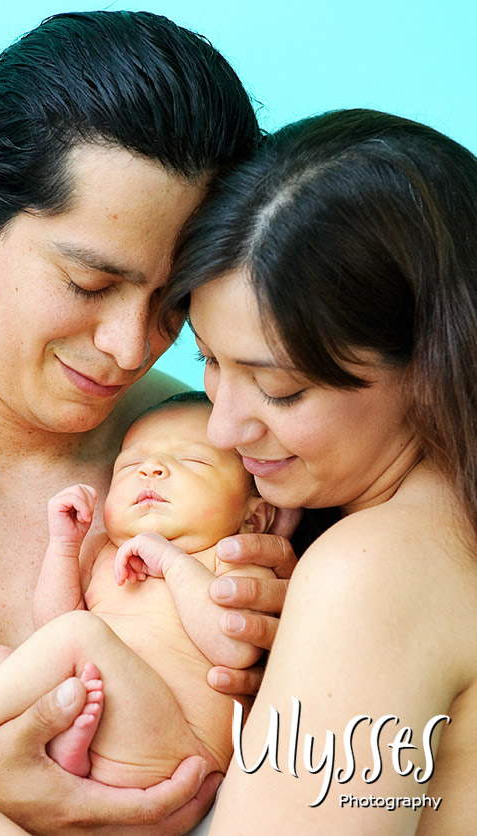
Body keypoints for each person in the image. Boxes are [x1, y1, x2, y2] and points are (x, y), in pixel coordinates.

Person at [0, 11, 300, 836]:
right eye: (89, 283)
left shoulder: (216, 447)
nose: (129, 348)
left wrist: (296, 626)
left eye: (172, 304)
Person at [161, 108, 477, 834]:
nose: (221, 428)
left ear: (432, 365)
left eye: (280, 389)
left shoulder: (374, 570)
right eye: (207, 360)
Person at [0, 392, 277, 790]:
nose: (151, 470)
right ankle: (58, 750)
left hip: (176, 744)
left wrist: (173, 564)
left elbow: (236, 650)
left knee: (80, 632)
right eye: (130, 465)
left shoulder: (234, 557)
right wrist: (65, 546)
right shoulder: (106, 552)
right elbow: (52, 628)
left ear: (254, 517)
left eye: (192, 461)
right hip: (98, 720)